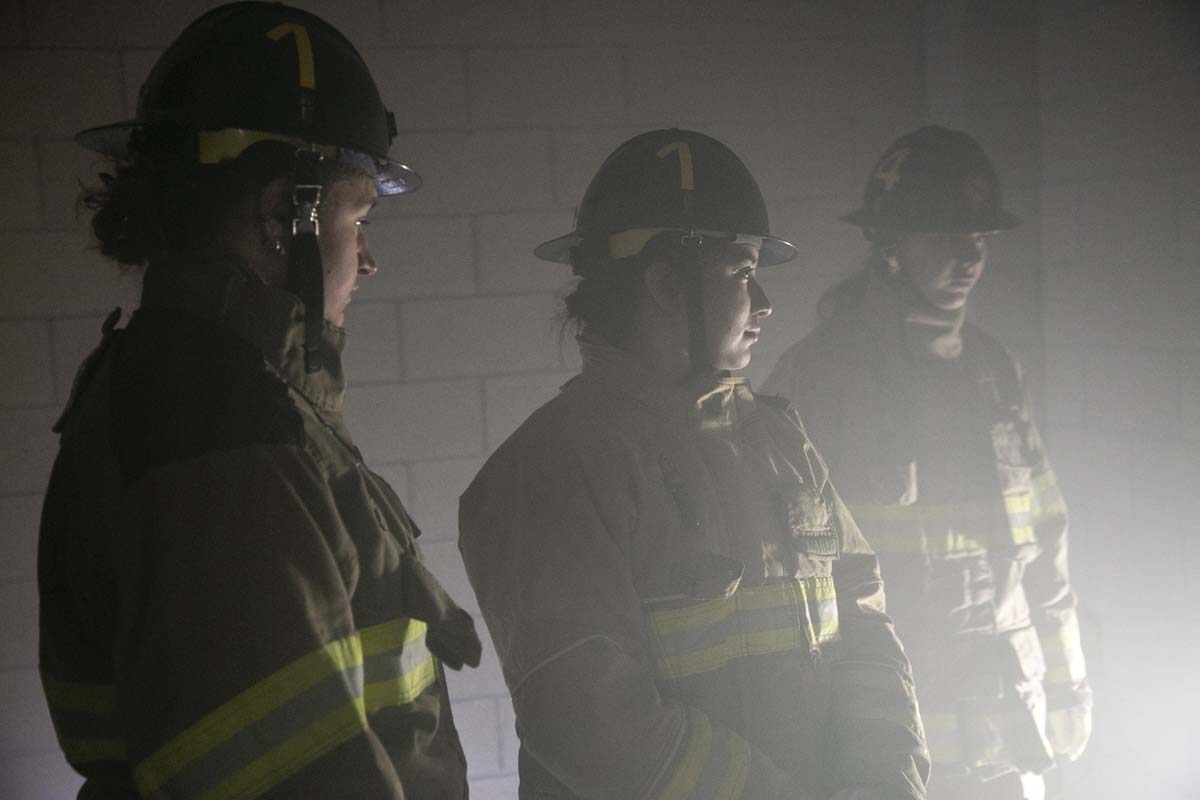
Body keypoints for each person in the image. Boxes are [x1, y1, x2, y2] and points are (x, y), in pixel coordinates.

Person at [37, 4, 480, 798]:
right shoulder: (220, 431)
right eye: (360, 215)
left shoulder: (217, 388)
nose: (369, 259)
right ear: (286, 213)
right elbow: (293, 777)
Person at [458, 129, 929, 800]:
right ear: (665, 284)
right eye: (741, 272)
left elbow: (863, 619)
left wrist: (886, 780)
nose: (764, 302)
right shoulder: (548, 469)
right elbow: (592, 727)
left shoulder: (777, 438)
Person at [762, 126, 1092, 800]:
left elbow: (1045, 536)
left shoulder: (994, 370)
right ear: (890, 246)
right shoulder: (821, 375)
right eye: (946, 236)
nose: (970, 255)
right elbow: (782, 565)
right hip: (888, 735)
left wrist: (1068, 686)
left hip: (1006, 725)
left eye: (980, 237)